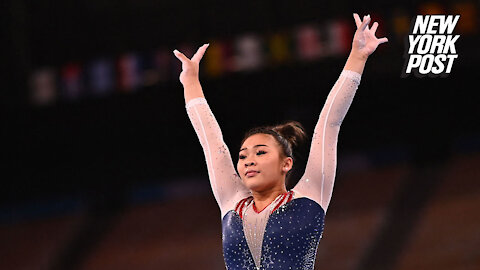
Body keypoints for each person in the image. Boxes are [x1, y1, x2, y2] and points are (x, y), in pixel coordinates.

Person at [173, 13, 388, 270]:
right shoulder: (232, 202)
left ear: (286, 163)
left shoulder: (309, 196)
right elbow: (211, 142)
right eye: (242, 156)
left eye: (260, 152)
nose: (248, 160)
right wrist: (191, 82)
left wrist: (357, 57)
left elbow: (329, 124)